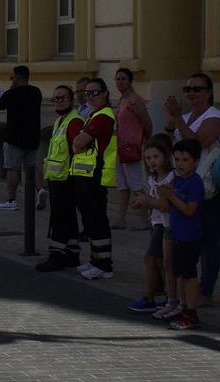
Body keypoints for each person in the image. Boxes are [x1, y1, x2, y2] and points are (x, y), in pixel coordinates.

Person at [161, 73, 220, 302]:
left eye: (197, 89)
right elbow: (177, 148)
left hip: (208, 187)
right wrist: (172, 124)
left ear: (209, 92)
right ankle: (188, 285)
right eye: (187, 88)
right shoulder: (187, 116)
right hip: (184, 185)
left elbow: (197, 144)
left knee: (209, 238)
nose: (191, 93)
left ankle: (206, 289)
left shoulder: (215, 116)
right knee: (188, 237)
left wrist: (178, 118)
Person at [67, 78, 117, 279]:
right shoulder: (93, 115)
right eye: (86, 93)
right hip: (86, 174)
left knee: (97, 220)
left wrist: (80, 142)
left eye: (94, 92)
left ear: (105, 93)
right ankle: (96, 260)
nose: (89, 97)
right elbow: (78, 143)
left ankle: (104, 265)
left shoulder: (103, 116)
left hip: (96, 174)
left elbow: (78, 141)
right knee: (90, 220)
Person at [158, 139, 208, 331]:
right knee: (182, 275)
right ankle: (184, 307)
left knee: (190, 275)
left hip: (190, 236)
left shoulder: (195, 183)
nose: (180, 164)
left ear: (195, 162)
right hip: (178, 234)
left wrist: (172, 196)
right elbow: (168, 205)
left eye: (185, 160)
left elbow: (189, 210)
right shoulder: (177, 180)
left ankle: (191, 312)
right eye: (177, 159)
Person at [126, 134, 175, 315]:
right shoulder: (152, 179)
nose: (152, 161)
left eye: (155, 157)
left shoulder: (170, 178)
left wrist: (148, 201)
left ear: (165, 156)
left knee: (154, 259)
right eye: (148, 158)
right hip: (157, 223)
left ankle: (150, 297)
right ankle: (168, 297)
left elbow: (164, 205)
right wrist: (142, 201)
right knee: (161, 261)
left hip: (167, 225)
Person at [36, 83, 79, 270]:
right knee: (66, 217)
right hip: (57, 178)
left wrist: (74, 178)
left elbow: (77, 151)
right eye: (56, 98)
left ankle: (57, 256)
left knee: (60, 218)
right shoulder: (60, 121)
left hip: (66, 179)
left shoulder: (73, 121)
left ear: (71, 100)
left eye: (63, 98)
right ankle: (71, 253)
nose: (59, 101)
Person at [0, 65, 42, 211]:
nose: (11, 80)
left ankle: (12, 200)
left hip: (14, 137)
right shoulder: (36, 92)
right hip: (33, 136)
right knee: (32, 166)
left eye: (12, 77)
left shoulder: (11, 94)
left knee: (12, 168)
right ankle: (40, 190)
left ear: (17, 78)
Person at [107, 68, 152, 230]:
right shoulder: (122, 100)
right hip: (120, 146)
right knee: (122, 184)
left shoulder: (135, 100)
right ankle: (120, 219)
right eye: (117, 79)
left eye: (123, 79)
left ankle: (144, 220)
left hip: (132, 147)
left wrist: (143, 141)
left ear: (130, 81)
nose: (119, 82)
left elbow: (147, 123)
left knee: (136, 184)